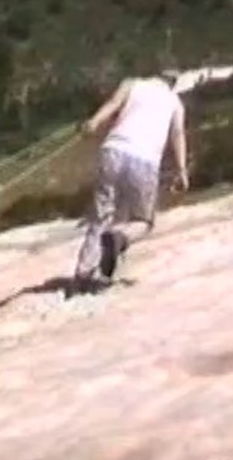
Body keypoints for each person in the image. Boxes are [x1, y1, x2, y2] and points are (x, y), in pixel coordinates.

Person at [71, 70, 190, 295]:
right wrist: (181, 170)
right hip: (145, 161)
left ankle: (82, 275)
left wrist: (93, 122)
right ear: (173, 84)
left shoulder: (132, 83)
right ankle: (120, 238)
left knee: (101, 214)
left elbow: (113, 104)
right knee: (143, 221)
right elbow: (178, 135)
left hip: (113, 151)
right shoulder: (175, 102)